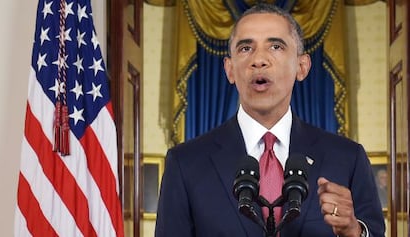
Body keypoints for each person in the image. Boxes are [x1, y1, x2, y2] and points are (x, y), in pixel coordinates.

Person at [155, 3, 385, 237]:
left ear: (302, 66)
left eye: (275, 46)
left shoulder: (348, 158)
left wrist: (356, 232)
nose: (259, 60)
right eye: (246, 48)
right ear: (230, 69)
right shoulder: (184, 163)